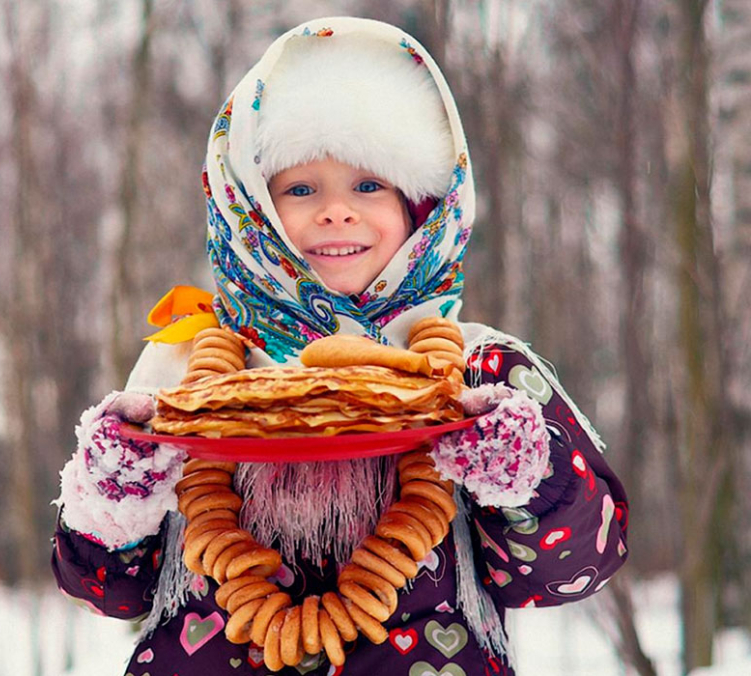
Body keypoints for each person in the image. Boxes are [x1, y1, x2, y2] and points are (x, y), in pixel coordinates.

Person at [51, 16, 628, 676]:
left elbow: (574, 569)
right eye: (301, 189)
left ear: (421, 207)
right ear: (250, 212)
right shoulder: (181, 374)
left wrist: (521, 474)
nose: (335, 211)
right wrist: (116, 488)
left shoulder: (479, 375)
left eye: (369, 184)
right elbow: (105, 589)